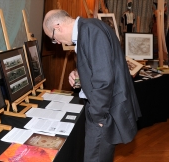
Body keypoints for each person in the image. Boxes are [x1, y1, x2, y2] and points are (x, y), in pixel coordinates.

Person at [43, 9, 141, 162]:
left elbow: (104, 80)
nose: (58, 43)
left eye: (54, 38)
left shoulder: (91, 32)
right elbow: (98, 65)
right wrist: (79, 73)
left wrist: (98, 116)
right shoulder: (88, 28)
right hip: (103, 109)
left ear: (58, 27)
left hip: (103, 112)